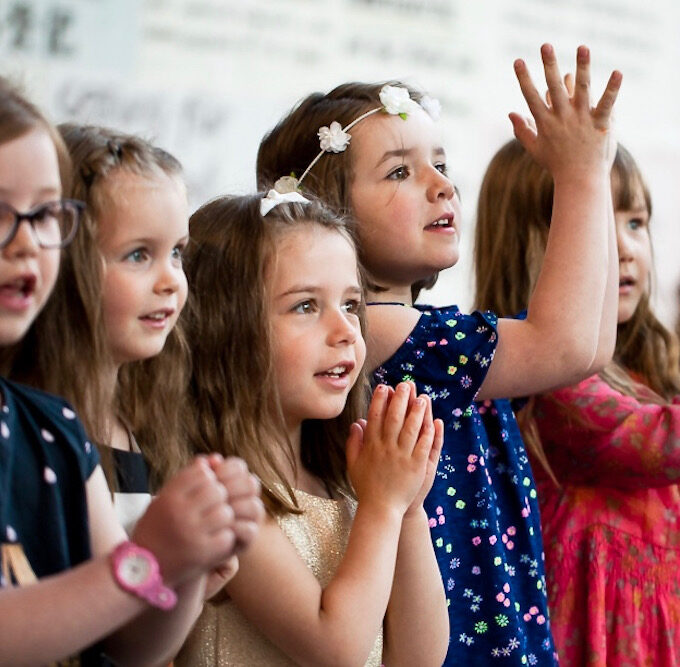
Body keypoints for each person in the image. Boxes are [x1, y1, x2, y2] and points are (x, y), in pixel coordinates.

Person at [255, 45, 621, 664]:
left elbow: (590, 345)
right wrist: (581, 176)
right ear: (326, 216)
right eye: (400, 172)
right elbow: (566, 345)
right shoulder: (377, 330)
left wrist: (594, 169)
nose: (441, 185)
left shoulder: (418, 330)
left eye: (441, 164)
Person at [0, 76, 263, 665]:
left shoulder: (52, 427)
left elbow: (130, 648)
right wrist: (147, 562)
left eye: (42, 215)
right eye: (138, 254)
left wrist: (183, 570)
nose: (25, 242)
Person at [176, 193, 448, 666]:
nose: (345, 330)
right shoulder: (223, 498)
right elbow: (335, 649)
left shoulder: (345, 487)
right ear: (227, 329)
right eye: (305, 306)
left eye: (350, 304)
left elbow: (419, 657)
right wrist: (383, 508)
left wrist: (407, 510)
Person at [474, 138, 680, 665]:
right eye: (594, 224)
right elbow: (661, 440)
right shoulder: (554, 385)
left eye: (635, 223)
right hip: (596, 643)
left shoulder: (650, 374)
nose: (626, 247)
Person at [2, 123, 194, 533]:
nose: (171, 281)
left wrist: (197, 575)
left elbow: (151, 595)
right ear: (68, 266)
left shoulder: (145, 423)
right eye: (139, 255)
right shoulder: (31, 430)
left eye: (177, 252)